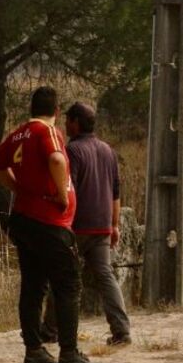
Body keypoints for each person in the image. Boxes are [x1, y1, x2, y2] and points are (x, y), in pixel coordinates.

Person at [0, 86, 104, 363]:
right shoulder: (47, 132)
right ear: (55, 110)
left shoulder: (19, 133)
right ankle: (69, 352)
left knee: (33, 286)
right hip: (50, 222)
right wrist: (63, 195)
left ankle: (34, 351)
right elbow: (56, 159)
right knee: (68, 284)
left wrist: (16, 187)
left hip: (24, 220)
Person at [41, 102, 131, 346]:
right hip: (102, 225)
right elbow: (115, 192)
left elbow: (70, 190)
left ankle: (50, 330)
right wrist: (115, 225)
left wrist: (61, 220)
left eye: (69, 119)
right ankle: (121, 331)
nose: (66, 124)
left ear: (77, 122)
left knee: (62, 276)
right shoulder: (108, 150)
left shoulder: (72, 151)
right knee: (106, 276)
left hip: (77, 226)